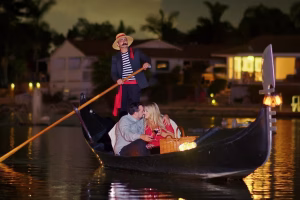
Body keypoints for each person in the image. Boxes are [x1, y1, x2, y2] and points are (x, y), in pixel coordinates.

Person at [111, 33, 151, 117]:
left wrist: (146, 64)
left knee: (134, 108)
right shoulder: (115, 57)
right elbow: (113, 73)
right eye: (121, 40)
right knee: (123, 109)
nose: (124, 41)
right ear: (118, 44)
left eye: (125, 40)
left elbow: (147, 59)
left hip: (135, 85)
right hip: (123, 86)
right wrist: (117, 79)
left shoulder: (136, 52)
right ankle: (123, 126)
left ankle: (135, 126)